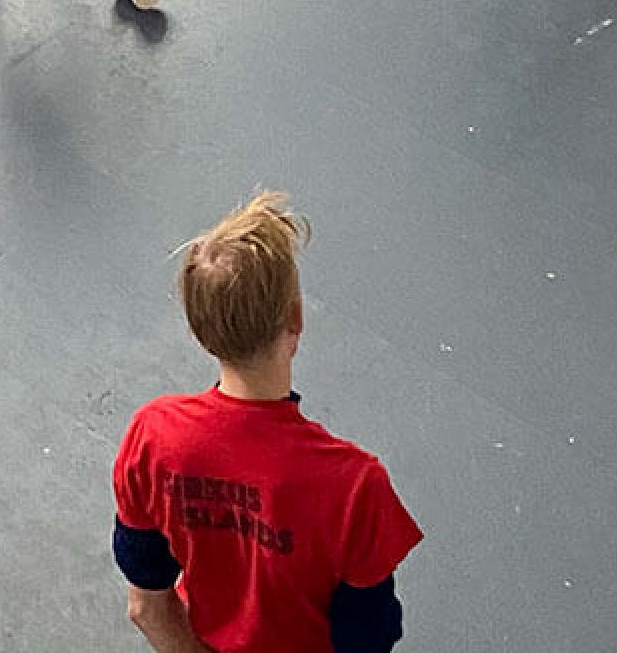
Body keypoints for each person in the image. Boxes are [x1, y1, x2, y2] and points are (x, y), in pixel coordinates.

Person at [112, 192, 423, 652]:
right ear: (295, 319)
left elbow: (146, 606)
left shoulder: (152, 437)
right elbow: (366, 639)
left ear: (200, 329)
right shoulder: (354, 487)